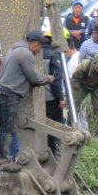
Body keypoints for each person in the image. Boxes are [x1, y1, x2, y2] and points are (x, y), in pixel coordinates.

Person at [0, 30, 53, 161]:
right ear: (36, 44)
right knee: (8, 129)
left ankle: (9, 157)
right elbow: (35, 79)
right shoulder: (25, 54)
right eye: (40, 47)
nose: (39, 51)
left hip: (1, 92)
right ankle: (5, 160)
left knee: (7, 128)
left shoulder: (15, 49)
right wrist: (48, 78)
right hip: (9, 95)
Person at [41, 26, 67, 155]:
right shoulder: (51, 55)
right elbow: (56, 80)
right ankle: (54, 152)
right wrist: (61, 98)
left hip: (37, 99)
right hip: (51, 98)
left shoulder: (34, 52)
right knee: (54, 127)